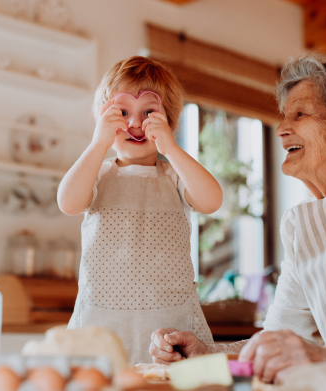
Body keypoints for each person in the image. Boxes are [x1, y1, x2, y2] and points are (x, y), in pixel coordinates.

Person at [149, 55, 326, 383]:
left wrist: (323, 355)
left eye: (300, 114)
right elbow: (277, 336)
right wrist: (207, 353)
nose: (282, 129)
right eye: (285, 116)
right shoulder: (300, 224)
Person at [57, 56, 223, 364]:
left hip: (170, 324)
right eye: (121, 112)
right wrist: (97, 144)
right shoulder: (98, 174)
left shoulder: (175, 176)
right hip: (102, 320)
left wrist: (171, 148)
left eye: (149, 112)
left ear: (170, 123)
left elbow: (212, 200)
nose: (134, 123)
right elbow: (68, 203)